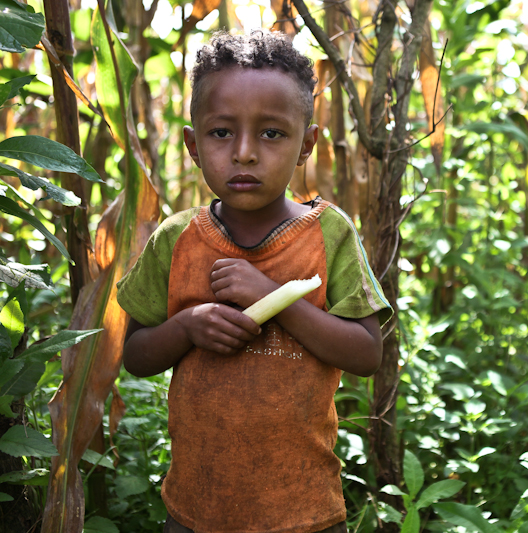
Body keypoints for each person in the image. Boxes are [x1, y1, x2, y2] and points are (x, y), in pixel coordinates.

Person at [116, 30, 391, 533]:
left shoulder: (329, 234)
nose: (244, 153)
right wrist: (187, 327)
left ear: (306, 144)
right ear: (193, 144)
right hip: (196, 510)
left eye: (271, 134)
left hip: (303, 511)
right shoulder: (176, 239)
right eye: (222, 133)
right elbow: (136, 355)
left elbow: (366, 354)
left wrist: (275, 299)